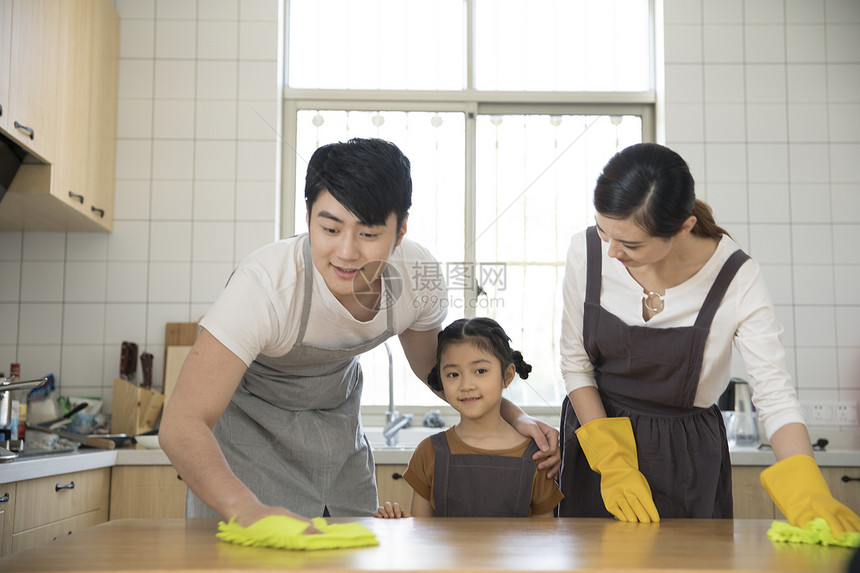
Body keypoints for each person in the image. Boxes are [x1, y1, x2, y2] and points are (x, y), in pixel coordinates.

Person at [159, 138, 559, 528]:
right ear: (308, 216)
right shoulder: (266, 285)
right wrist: (247, 510)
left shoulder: (416, 278)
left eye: (368, 234)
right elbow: (181, 423)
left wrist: (515, 417)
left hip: (338, 448)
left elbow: (439, 374)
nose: (347, 253)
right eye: (330, 229)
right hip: (249, 449)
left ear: (400, 231)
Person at [557, 142, 860, 536]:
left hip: (686, 457)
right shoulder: (586, 252)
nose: (612, 251)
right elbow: (575, 367)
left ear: (682, 228)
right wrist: (612, 463)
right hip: (598, 444)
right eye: (603, 231)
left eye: (631, 244)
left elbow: (774, 396)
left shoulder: (735, 277)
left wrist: (809, 493)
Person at [374, 318, 565, 518]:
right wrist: (396, 525)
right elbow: (421, 536)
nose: (466, 385)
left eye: (480, 371)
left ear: (507, 376)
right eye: (453, 374)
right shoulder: (428, 452)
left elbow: (545, 542)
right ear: (440, 378)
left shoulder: (536, 457)